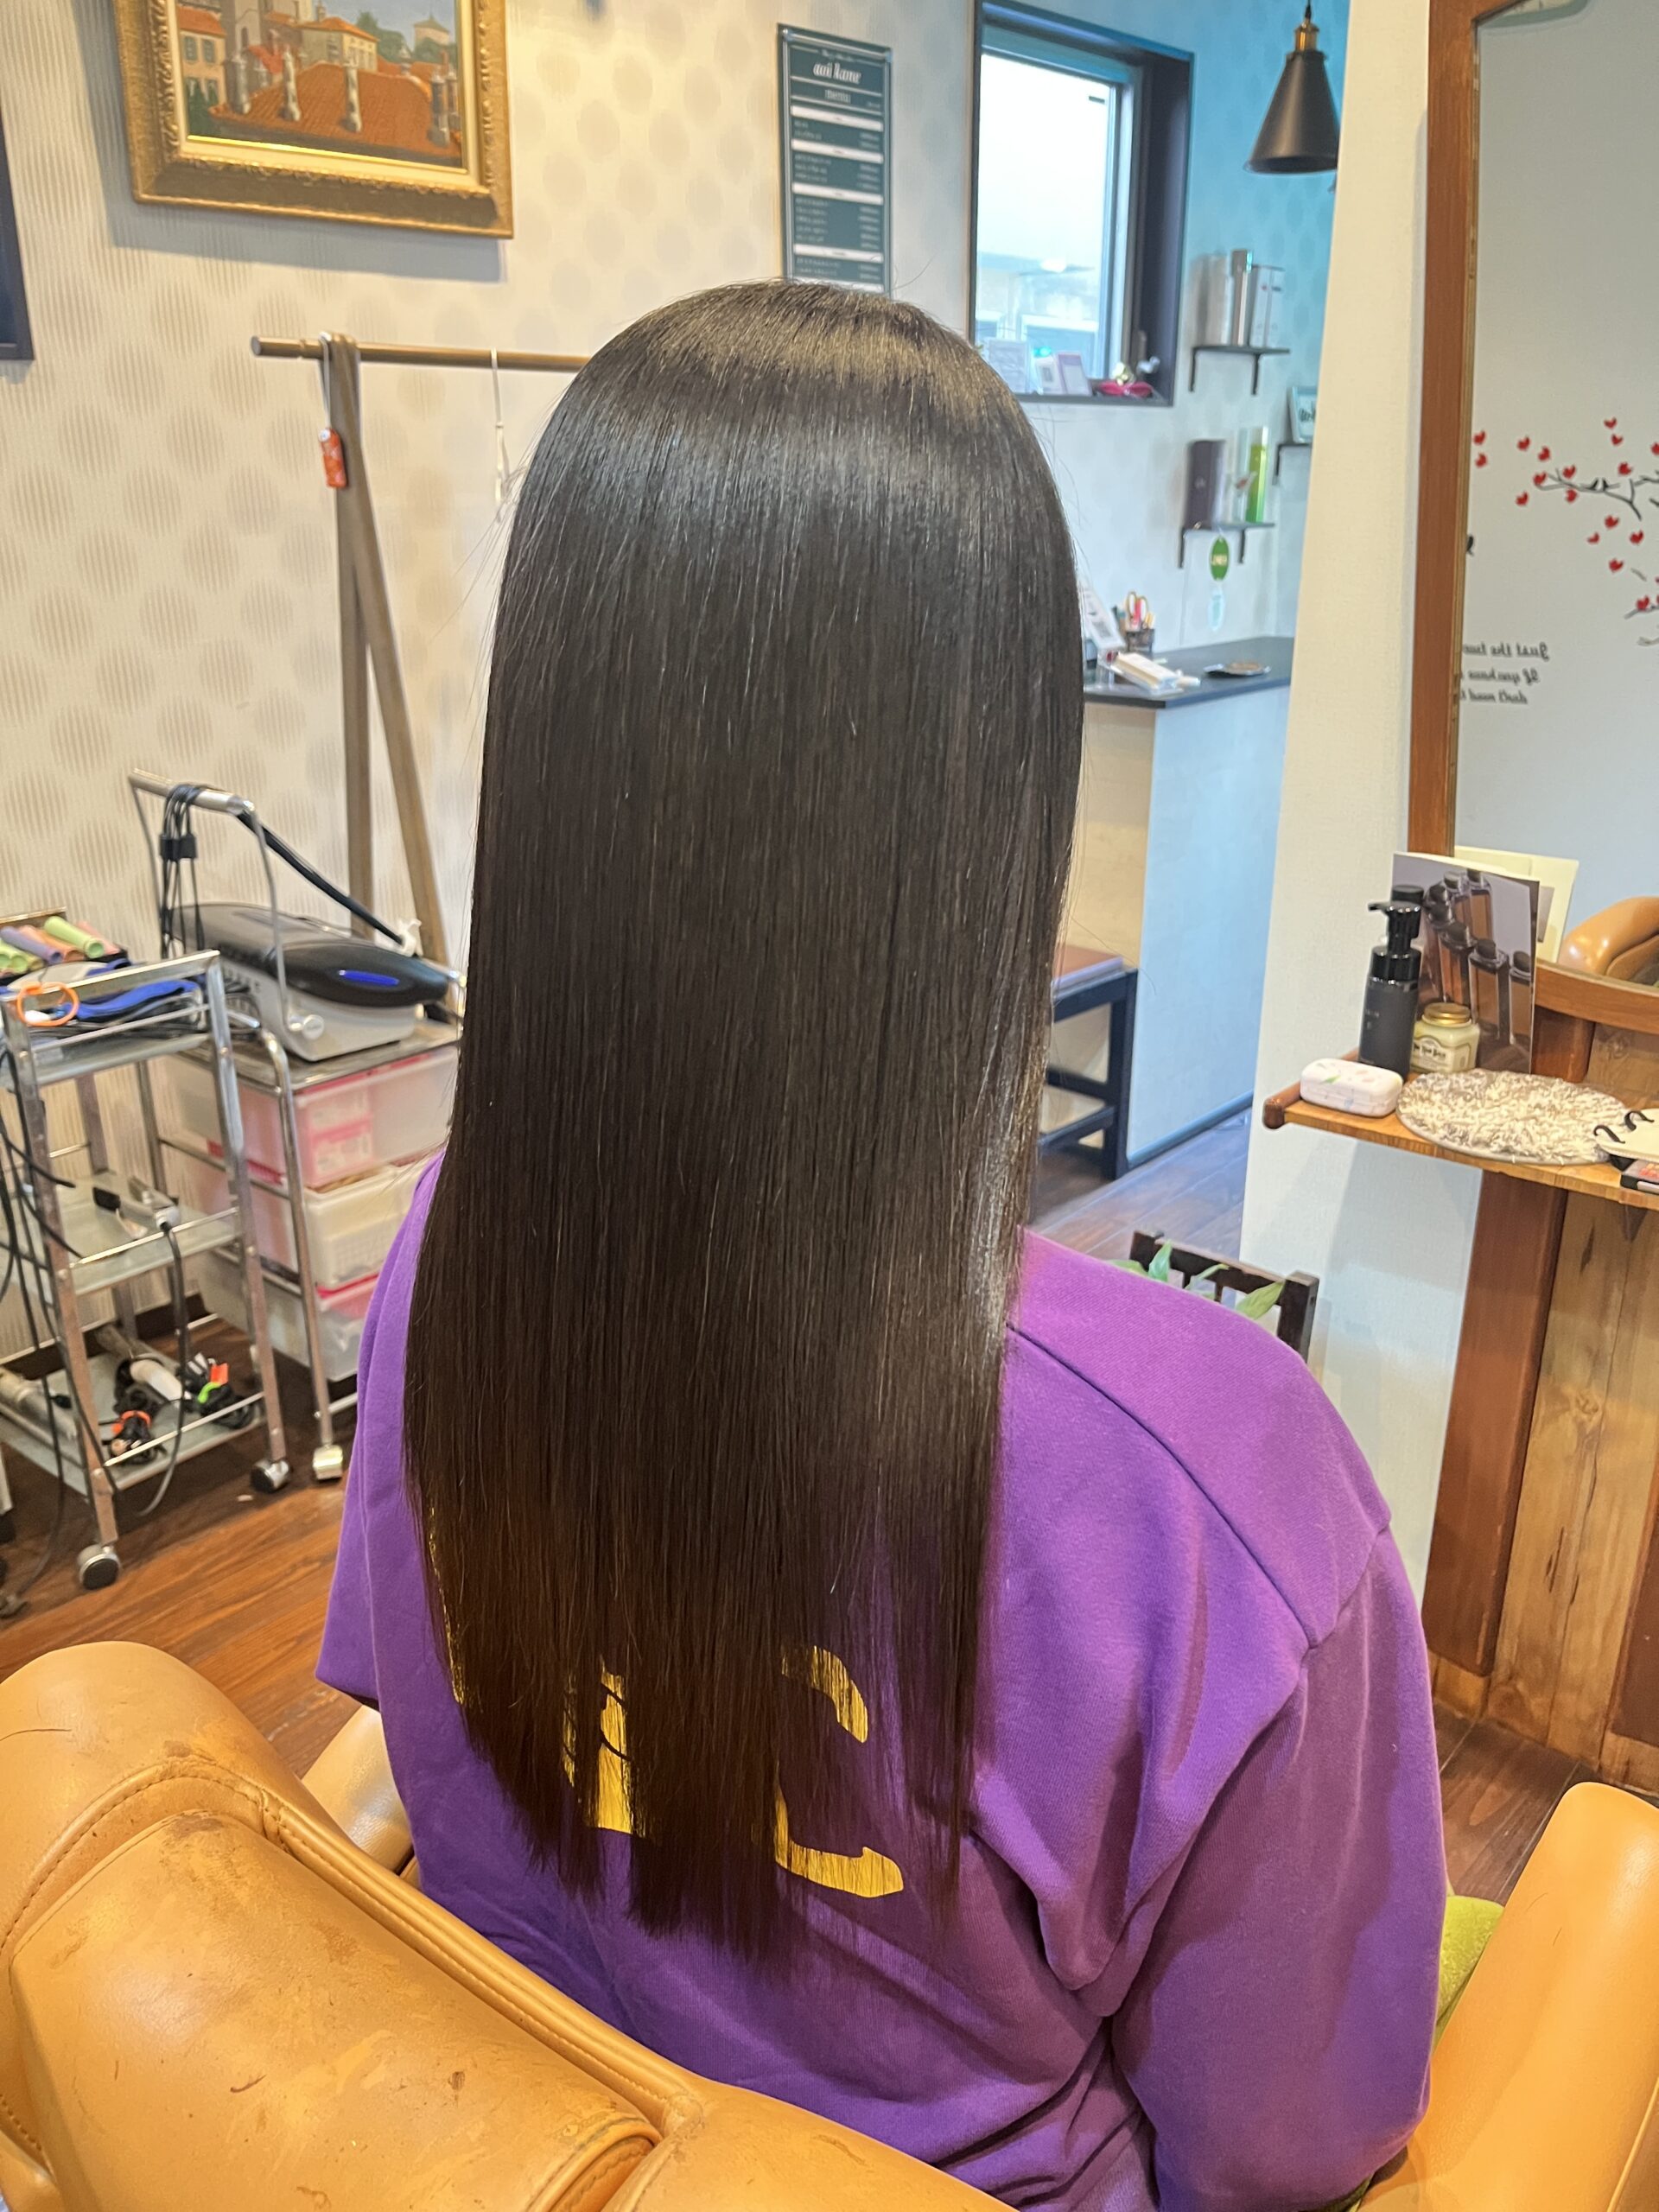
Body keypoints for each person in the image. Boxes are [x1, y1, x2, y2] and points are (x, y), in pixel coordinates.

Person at [321, 280, 1443, 2212]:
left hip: (516, 2129)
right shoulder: (1212, 1486)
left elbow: (417, 1748)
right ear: (993, 815)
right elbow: (1292, 2149)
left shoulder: (453, 1251)